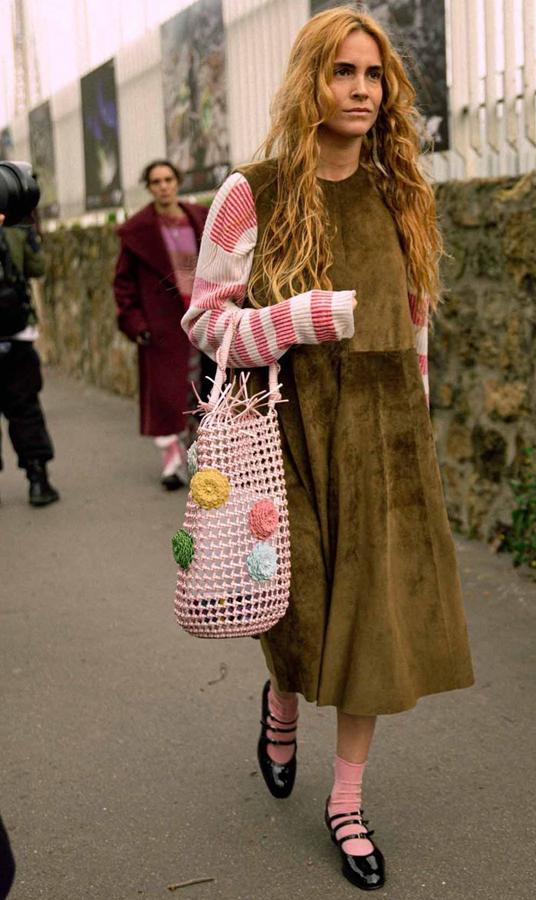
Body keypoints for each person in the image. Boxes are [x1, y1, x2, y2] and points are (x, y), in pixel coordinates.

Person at [182, 7, 475, 889]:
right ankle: (280, 703)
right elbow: (204, 321)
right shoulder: (251, 192)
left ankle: (345, 799)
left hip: (385, 441)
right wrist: (291, 321)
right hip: (290, 437)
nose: (360, 89)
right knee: (299, 609)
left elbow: (414, 327)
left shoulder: (401, 194)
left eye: (373, 74)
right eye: (343, 72)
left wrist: (417, 424)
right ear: (311, 81)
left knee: (373, 628)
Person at [113, 160, 212, 490]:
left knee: (202, 389)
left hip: (201, 319)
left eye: (168, 179)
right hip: (161, 325)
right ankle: (172, 463)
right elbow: (123, 284)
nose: (163, 186)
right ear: (149, 186)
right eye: (156, 181)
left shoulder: (199, 218)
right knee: (170, 397)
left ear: (178, 182)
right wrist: (136, 322)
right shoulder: (137, 231)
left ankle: (200, 459)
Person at [0, 211, 59, 506]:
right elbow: (37, 267)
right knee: (25, 410)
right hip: (16, 335)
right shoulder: (15, 226)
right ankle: (38, 480)